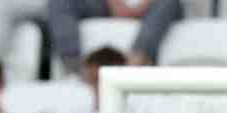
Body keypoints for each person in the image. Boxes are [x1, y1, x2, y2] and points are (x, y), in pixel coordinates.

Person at [48, 0, 183, 71]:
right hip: (106, 6)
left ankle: (136, 62)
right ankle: (75, 66)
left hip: (154, 7)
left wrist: (140, 6)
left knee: (168, 2)